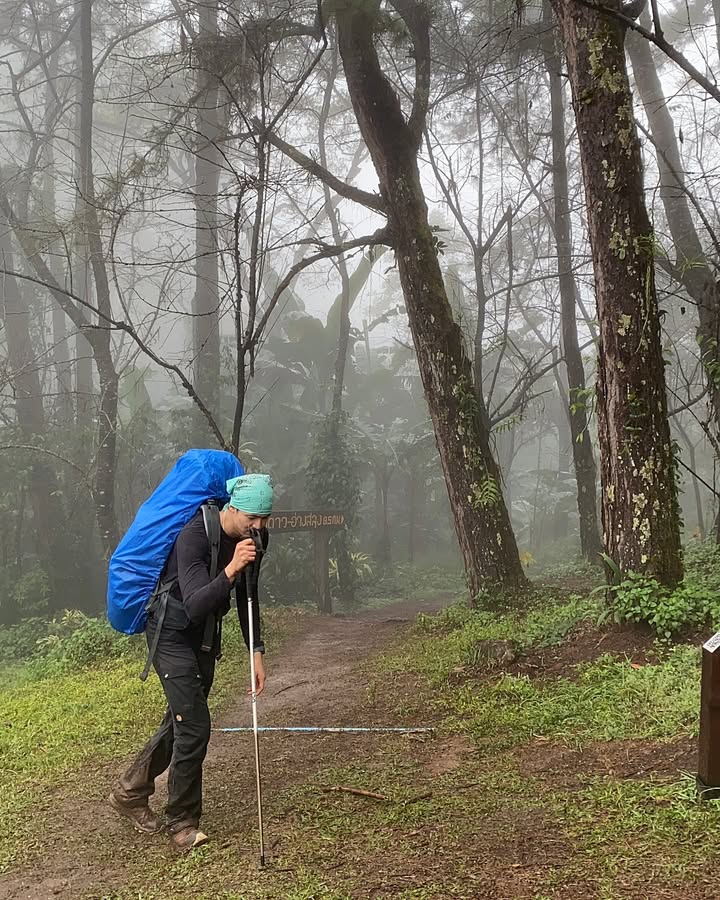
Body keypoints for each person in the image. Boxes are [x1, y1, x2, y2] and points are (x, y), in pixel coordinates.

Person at [110, 473, 273, 851]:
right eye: (253, 517)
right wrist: (231, 568)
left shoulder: (255, 540)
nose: (259, 526)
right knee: (195, 724)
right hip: (170, 632)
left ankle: (130, 790)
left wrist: (256, 651)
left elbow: (250, 599)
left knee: (183, 718)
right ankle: (182, 822)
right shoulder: (194, 535)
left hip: (203, 637)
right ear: (232, 508)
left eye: (265, 519)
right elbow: (198, 602)